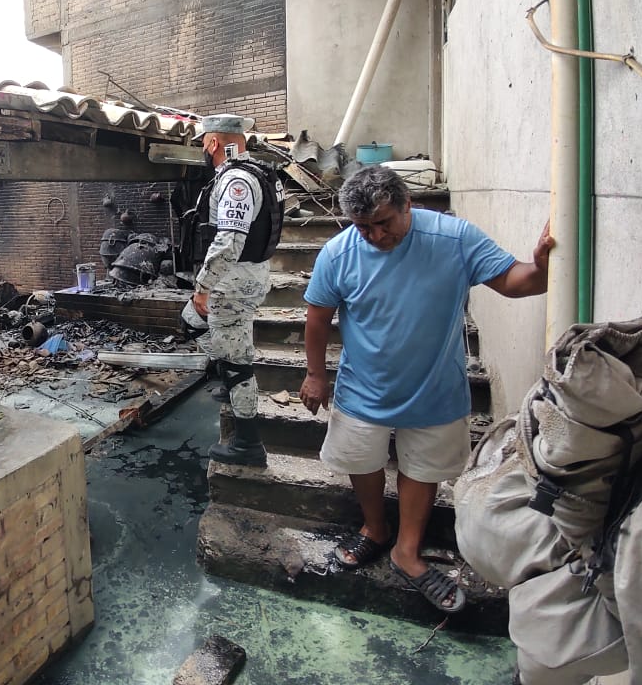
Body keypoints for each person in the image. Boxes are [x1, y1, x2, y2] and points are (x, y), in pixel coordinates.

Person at [300, 165, 554, 613]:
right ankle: (375, 529)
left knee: (424, 466)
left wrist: (543, 267)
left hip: (435, 388)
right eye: (364, 227)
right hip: (364, 388)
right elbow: (318, 317)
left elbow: (517, 281)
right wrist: (316, 374)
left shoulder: (454, 239)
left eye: (384, 223)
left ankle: (407, 550)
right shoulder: (338, 254)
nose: (376, 236)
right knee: (363, 459)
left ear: (407, 206)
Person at [181, 113, 281, 467]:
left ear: (212, 142)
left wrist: (203, 285)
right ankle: (225, 376)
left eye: (204, 144)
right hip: (246, 277)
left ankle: (248, 445)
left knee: (239, 364)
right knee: (192, 322)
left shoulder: (237, 179)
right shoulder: (259, 172)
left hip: (231, 283)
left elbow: (229, 240)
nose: (204, 151)